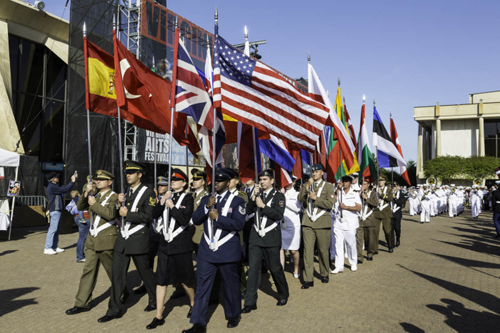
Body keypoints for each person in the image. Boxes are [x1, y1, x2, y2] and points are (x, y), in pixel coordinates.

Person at [182, 169, 246, 333]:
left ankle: (233, 315)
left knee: (230, 286)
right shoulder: (206, 199)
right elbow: (195, 220)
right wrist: (206, 207)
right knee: (202, 287)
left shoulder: (237, 201)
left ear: (227, 182)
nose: (216, 183)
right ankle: (198, 323)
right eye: (214, 180)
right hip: (207, 251)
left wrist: (219, 218)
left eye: (220, 180)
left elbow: (239, 225)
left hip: (227, 250)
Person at [98, 161, 157, 323]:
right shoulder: (125, 192)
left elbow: (148, 216)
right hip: (122, 240)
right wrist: (118, 205)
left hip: (138, 239)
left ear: (140, 175)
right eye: (127, 173)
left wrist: (127, 214)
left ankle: (154, 299)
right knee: (117, 275)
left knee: (145, 273)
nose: (128, 175)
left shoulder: (148, 192)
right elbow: (118, 215)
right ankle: (114, 309)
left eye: (132, 172)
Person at [146, 169, 195, 330]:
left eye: (176, 179)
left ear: (184, 183)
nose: (173, 182)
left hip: (181, 244)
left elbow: (184, 220)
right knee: (161, 280)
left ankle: (194, 303)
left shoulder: (188, 198)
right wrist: (162, 201)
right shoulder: (166, 195)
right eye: (172, 179)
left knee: (185, 279)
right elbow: (154, 215)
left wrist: (172, 206)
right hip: (165, 245)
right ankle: (158, 315)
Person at [65, 170, 118, 315]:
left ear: (110, 182)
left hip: (106, 239)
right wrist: (86, 193)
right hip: (92, 240)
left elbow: (110, 214)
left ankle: (121, 294)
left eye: (102, 179)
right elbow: (81, 207)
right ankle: (82, 303)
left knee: (112, 272)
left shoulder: (114, 197)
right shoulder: (94, 195)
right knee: (88, 271)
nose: (98, 181)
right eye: (97, 179)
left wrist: (94, 204)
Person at [242, 169, 289, 313]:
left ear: (272, 181)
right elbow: (247, 211)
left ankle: (283, 293)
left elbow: (278, 215)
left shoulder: (279, 196)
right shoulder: (257, 194)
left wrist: (263, 206)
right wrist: (253, 198)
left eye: (265, 179)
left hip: (271, 237)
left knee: (275, 268)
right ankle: (250, 301)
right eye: (260, 180)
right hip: (256, 237)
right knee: (253, 270)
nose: (262, 182)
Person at [298, 164, 335, 289]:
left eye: (317, 171)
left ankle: (324, 273)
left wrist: (316, 198)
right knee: (307, 252)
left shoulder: (329, 186)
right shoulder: (308, 185)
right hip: (308, 221)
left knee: (323, 251)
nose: (314, 174)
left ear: (322, 173)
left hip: (322, 222)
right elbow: (300, 198)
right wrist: (306, 186)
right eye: (313, 172)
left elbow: (330, 204)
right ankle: (308, 279)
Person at [331, 175, 361, 274]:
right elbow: (333, 200)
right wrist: (337, 190)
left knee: (350, 244)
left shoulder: (354, 193)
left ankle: (353, 262)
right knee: (338, 245)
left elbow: (358, 208)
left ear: (350, 182)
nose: (344, 182)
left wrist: (346, 207)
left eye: (347, 181)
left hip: (350, 223)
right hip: (339, 222)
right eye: (343, 181)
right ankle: (339, 266)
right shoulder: (340, 193)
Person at [44, 171, 77, 255]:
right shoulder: (52, 187)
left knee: (57, 229)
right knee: (53, 229)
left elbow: (64, 187)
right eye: (56, 177)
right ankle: (47, 247)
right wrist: (72, 181)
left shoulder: (54, 186)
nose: (58, 178)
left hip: (57, 210)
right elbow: (65, 189)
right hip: (55, 210)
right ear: (53, 179)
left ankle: (54, 246)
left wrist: (72, 181)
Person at [280, 179, 302, 278]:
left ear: (293, 182)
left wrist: (284, 200)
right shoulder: (279, 192)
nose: (286, 183)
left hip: (293, 226)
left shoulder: (297, 194)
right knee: (280, 249)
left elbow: (297, 208)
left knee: (293, 251)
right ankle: (280, 272)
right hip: (281, 225)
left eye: (289, 181)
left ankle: (296, 268)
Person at [356, 179, 378, 263]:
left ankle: (370, 253)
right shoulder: (357, 193)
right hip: (359, 220)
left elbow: (376, 204)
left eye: (365, 184)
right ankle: (359, 256)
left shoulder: (372, 193)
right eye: (362, 184)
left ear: (368, 185)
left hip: (369, 219)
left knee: (370, 239)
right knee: (359, 239)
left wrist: (367, 198)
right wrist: (358, 195)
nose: (363, 186)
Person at [67, 190, 90, 263]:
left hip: (77, 218)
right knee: (83, 238)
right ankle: (80, 256)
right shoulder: (80, 199)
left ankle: (81, 255)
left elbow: (68, 208)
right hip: (85, 218)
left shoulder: (73, 200)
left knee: (82, 237)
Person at [190, 169, 209, 252]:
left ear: (203, 182)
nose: (194, 181)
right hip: (191, 230)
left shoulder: (206, 197)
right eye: (194, 179)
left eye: (197, 179)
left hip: (200, 231)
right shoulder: (191, 195)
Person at [374, 176, 393, 253]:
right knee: (375, 231)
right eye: (379, 180)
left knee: (387, 231)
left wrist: (381, 194)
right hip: (377, 212)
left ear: (385, 181)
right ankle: (375, 249)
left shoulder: (389, 189)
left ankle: (390, 246)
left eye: (382, 180)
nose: (380, 182)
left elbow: (390, 198)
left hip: (385, 212)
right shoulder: (374, 190)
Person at [391, 182, 406, 248]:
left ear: (397, 186)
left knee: (397, 228)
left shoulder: (401, 194)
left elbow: (401, 203)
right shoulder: (389, 194)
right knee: (391, 229)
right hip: (390, 214)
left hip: (397, 214)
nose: (394, 187)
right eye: (393, 186)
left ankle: (398, 239)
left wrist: (395, 198)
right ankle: (392, 242)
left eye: (395, 186)